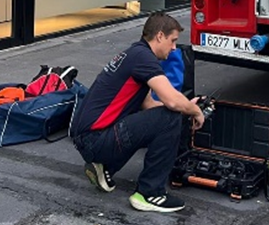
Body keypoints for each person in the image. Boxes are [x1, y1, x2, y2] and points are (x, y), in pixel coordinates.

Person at [70, 12, 205, 213]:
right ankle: (150, 193)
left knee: (168, 116)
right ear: (160, 36)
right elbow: (171, 100)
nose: (174, 47)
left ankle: (105, 166)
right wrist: (195, 111)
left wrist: (185, 108)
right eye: (173, 40)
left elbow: (148, 105)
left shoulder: (135, 54)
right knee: (171, 116)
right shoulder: (143, 58)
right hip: (94, 139)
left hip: (89, 138)